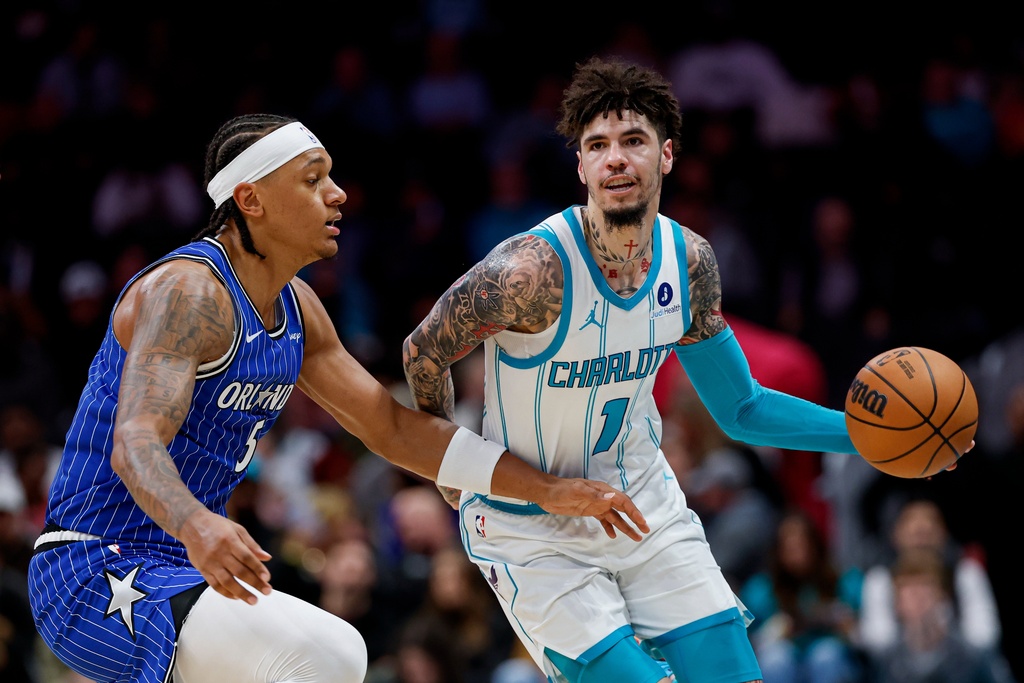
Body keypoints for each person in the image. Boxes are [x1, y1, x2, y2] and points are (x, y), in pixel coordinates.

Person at [26, 113, 650, 683]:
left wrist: (549, 489)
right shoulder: (189, 292)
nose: (338, 194)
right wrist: (197, 524)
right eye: (313, 179)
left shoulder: (300, 311)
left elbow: (395, 431)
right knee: (329, 655)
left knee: (322, 658)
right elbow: (133, 442)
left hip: (185, 567)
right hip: (93, 567)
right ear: (251, 199)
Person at [402, 56, 961, 683]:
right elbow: (423, 351)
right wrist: (453, 468)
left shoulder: (688, 263)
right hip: (529, 526)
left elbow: (742, 408)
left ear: (666, 155)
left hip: (640, 503)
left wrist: (867, 439)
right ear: (580, 165)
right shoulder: (529, 274)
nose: (616, 158)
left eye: (633, 140)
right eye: (598, 145)